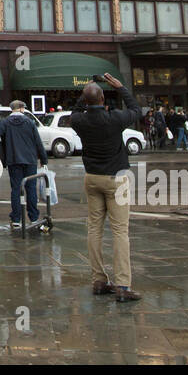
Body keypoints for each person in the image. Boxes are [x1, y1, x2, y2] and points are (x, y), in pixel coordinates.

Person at [66, 74, 142, 303]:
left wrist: (84, 97)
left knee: (94, 229)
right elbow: (136, 110)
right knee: (120, 231)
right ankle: (122, 284)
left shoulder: (79, 121)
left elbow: (74, 113)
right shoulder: (115, 119)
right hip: (116, 177)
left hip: (92, 178)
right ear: (103, 99)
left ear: (85, 101)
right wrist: (121, 88)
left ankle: (99, 280)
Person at [0, 100, 48, 230]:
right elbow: (38, 142)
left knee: (16, 189)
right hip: (30, 159)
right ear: (21, 108)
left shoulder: (5, 123)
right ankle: (33, 217)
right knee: (31, 188)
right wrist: (43, 159)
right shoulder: (29, 122)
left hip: (13, 160)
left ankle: (16, 218)